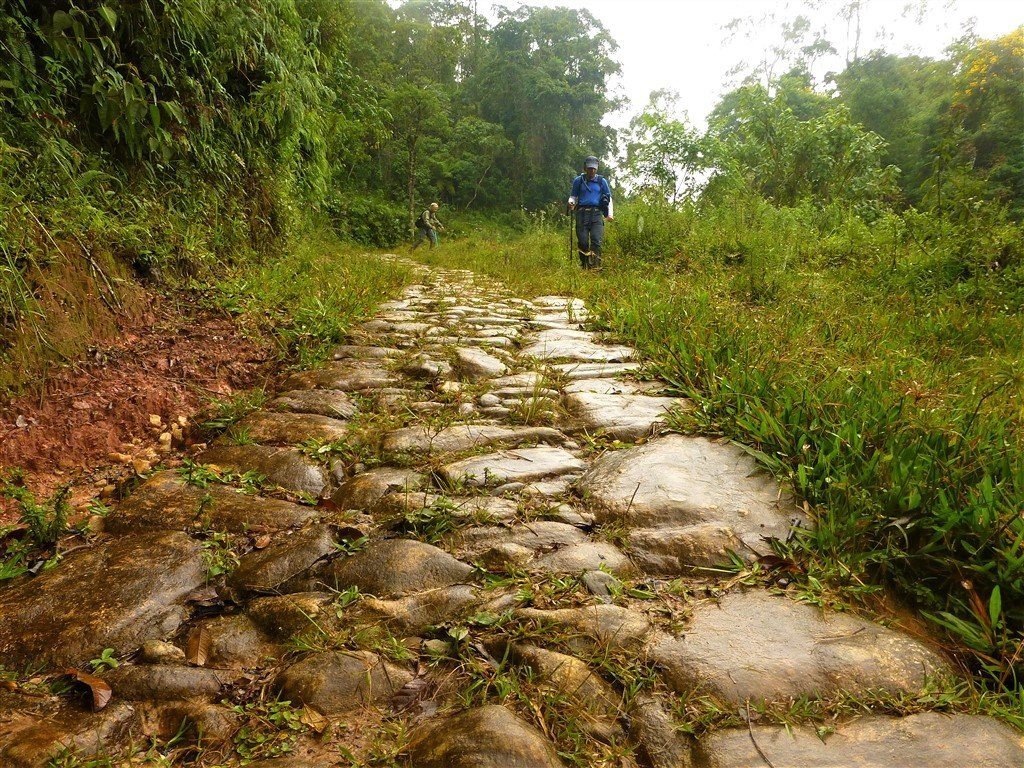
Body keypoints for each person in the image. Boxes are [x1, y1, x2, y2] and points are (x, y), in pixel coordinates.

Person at [567, 156, 613, 269]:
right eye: (589, 168)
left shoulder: (602, 181)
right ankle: (584, 265)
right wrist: (571, 202)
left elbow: (609, 198)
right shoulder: (578, 181)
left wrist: (610, 214)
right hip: (582, 213)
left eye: (594, 168)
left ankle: (596, 266)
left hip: (596, 214)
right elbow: (573, 196)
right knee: (582, 242)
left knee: (596, 240)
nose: (592, 170)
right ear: (585, 168)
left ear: (597, 169)